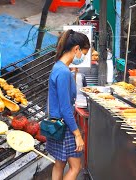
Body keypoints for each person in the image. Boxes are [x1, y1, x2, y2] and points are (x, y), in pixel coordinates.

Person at [47, 29, 90, 180]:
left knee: (59, 163)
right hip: (65, 126)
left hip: (56, 124)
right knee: (75, 167)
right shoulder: (64, 72)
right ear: (76, 48)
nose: (82, 57)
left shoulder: (58, 67)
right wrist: (77, 134)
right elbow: (65, 108)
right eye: (83, 53)